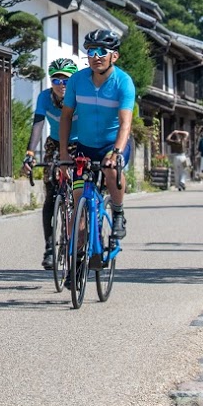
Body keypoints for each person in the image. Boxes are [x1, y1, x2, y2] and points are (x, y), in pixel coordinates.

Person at [57, 28, 135, 245]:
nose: (96, 56)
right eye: (91, 51)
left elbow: (125, 123)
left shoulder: (123, 82)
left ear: (114, 56)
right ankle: (78, 262)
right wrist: (64, 152)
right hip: (84, 146)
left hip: (112, 144)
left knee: (111, 169)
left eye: (102, 51)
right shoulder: (77, 80)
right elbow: (66, 117)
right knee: (78, 197)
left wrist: (117, 152)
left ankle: (118, 213)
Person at [26, 57, 80, 270]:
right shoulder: (44, 98)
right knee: (51, 194)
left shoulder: (79, 98)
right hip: (55, 144)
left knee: (79, 189)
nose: (61, 85)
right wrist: (30, 152)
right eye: (56, 80)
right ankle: (50, 247)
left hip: (79, 143)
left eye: (66, 80)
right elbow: (38, 125)